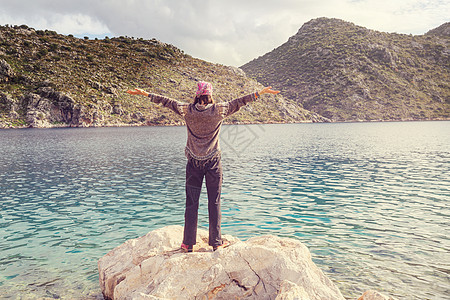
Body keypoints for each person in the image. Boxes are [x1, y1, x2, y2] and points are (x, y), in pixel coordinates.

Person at [127, 82, 280, 252]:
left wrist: (146, 94)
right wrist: (260, 92)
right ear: (210, 95)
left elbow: (166, 101)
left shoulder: (187, 110)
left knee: (191, 202)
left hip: (193, 163)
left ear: (197, 95)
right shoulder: (219, 110)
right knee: (214, 202)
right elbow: (241, 101)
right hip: (213, 162)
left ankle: (187, 243)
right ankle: (216, 242)